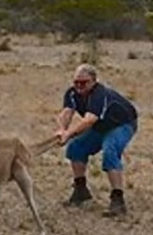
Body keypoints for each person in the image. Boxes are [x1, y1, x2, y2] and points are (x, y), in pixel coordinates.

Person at [54, 64, 138, 216]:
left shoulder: (100, 94)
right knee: (75, 148)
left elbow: (89, 120)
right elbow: (66, 112)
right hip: (101, 126)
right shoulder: (72, 93)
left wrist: (69, 134)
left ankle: (117, 200)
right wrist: (62, 129)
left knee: (110, 152)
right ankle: (80, 191)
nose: (79, 86)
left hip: (121, 124)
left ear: (93, 81)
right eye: (76, 82)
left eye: (83, 82)